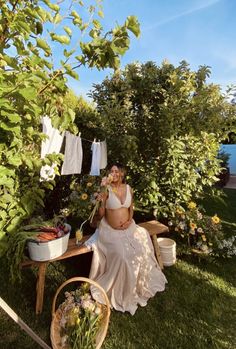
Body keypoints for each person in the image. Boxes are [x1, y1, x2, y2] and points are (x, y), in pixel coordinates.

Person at [85, 163, 167, 315]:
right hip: (110, 231)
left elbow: (131, 208)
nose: (114, 173)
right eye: (111, 171)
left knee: (140, 250)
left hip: (129, 227)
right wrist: (101, 202)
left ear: (122, 174)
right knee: (122, 257)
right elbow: (102, 214)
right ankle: (120, 291)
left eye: (117, 171)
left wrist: (129, 220)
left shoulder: (128, 188)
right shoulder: (106, 190)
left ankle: (138, 286)